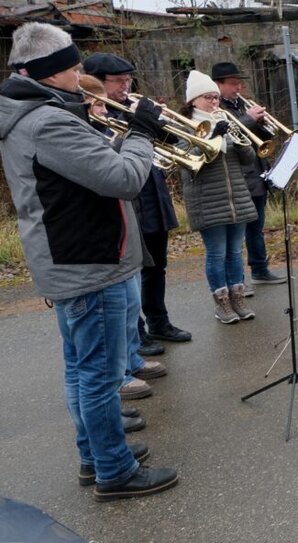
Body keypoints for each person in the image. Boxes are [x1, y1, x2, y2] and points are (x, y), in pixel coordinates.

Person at [0, 22, 178, 500]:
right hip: (89, 261)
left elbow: (92, 172)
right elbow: (122, 180)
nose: (82, 75)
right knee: (98, 375)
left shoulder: (37, 113)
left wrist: (117, 138)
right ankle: (114, 470)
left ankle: (94, 456)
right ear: (49, 73)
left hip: (78, 256)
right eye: (74, 68)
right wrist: (141, 132)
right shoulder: (47, 121)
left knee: (82, 369)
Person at [83, 53, 192, 349]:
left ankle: (159, 321)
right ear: (96, 82)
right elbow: (106, 159)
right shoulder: (92, 114)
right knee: (132, 273)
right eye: (118, 81)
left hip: (154, 196)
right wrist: (136, 126)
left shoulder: (132, 108)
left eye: (128, 79)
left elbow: (170, 146)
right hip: (127, 203)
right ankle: (136, 332)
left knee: (158, 266)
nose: (125, 86)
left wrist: (159, 123)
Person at [178, 70, 259, 323]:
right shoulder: (185, 125)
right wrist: (213, 138)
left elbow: (248, 160)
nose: (214, 103)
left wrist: (241, 136)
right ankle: (222, 303)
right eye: (208, 98)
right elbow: (190, 163)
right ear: (193, 101)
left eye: (215, 98)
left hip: (236, 196)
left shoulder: (225, 119)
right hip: (207, 200)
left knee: (235, 252)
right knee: (216, 253)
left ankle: (238, 297)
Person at [213, 61, 287, 287]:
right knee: (236, 236)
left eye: (240, 84)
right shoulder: (217, 109)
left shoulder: (242, 106)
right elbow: (229, 134)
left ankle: (260, 269)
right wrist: (248, 119)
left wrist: (262, 122)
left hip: (257, 173)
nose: (238, 88)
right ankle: (236, 281)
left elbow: (265, 137)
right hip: (237, 176)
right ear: (218, 85)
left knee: (257, 227)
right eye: (233, 84)